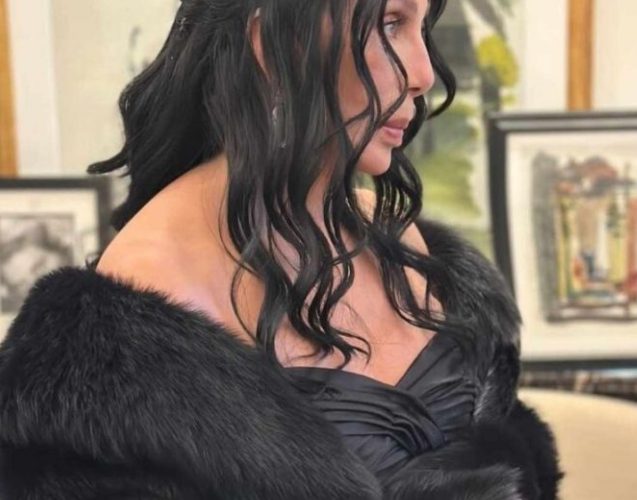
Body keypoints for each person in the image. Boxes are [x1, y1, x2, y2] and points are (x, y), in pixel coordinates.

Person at [0, 0, 562, 498]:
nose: (423, 73)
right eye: (391, 24)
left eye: (422, 27)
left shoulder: (400, 240)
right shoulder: (145, 299)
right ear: (272, 43)